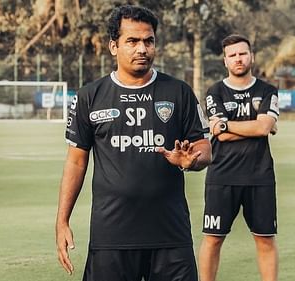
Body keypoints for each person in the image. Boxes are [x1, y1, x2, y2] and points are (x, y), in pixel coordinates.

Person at [55, 5, 211, 281]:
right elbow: (76, 161)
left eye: (148, 41)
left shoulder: (179, 92)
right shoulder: (89, 96)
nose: (142, 49)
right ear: (113, 46)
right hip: (111, 236)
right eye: (133, 41)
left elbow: (204, 149)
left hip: (170, 235)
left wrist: (192, 160)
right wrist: (62, 220)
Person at [198, 34, 279, 281]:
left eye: (242, 53)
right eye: (232, 55)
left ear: (251, 56)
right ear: (225, 61)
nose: (238, 59)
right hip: (222, 176)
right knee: (212, 239)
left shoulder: (267, 90)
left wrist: (226, 126)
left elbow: (263, 128)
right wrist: (255, 125)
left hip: (260, 177)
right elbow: (220, 136)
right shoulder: (215, 92)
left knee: (265, 239)